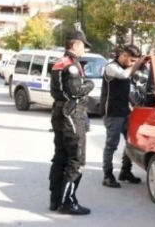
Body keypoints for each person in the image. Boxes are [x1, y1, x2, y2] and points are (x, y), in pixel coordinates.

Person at [48, 30, 95, 215]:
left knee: (60, 157)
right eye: (83, 45)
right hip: (71, 114)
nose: (84, 49)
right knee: (76, 159)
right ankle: (67, 202)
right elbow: (75, 91)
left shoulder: (59, 62)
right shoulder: (71, 65)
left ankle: (55, 200)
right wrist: (90, 84)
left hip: (60, 112)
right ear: (75, 45)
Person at [100, 44, 147, 188]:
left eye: (134, 61)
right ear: (124, 55)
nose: (133, 64)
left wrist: (134, 104)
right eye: (131, 60)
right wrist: (137, 64)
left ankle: (125, 171)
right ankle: (107, 175)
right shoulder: (111, 67)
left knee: (131, 142)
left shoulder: (126, 68)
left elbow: (125, 90)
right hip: (112, 113)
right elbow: (124, 75)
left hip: (125, 111)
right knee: (111, 145)